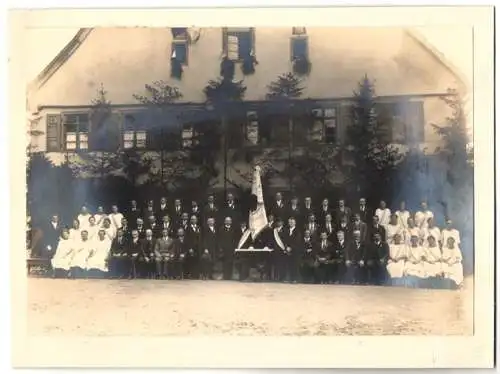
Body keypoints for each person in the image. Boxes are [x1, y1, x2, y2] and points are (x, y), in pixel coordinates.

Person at [282, 217, 301, 283]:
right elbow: (284, 240)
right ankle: (288, 278)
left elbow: (297, 241)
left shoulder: (297, 231)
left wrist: (291, 248)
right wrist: (286, 247)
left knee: (294, 265)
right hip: (287, 250)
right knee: (288, 264)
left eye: (292, 222)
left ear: (295, 223)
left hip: (295, 251)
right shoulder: (286, 230)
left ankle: (295, 279)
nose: (291, 223)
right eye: (290, 222)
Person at [271, 217, 287, 282]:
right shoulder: (274, 230)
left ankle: (282, 277)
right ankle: (276, 277)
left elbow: (286, 239)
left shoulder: (285, 230)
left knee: (282, 264)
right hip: (275, 249)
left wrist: (285, 248)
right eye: (278, 222)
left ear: (282, 223)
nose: (278, 223)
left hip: (282, 249)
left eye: (280, 222)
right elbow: (272, 239)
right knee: (276, 263)